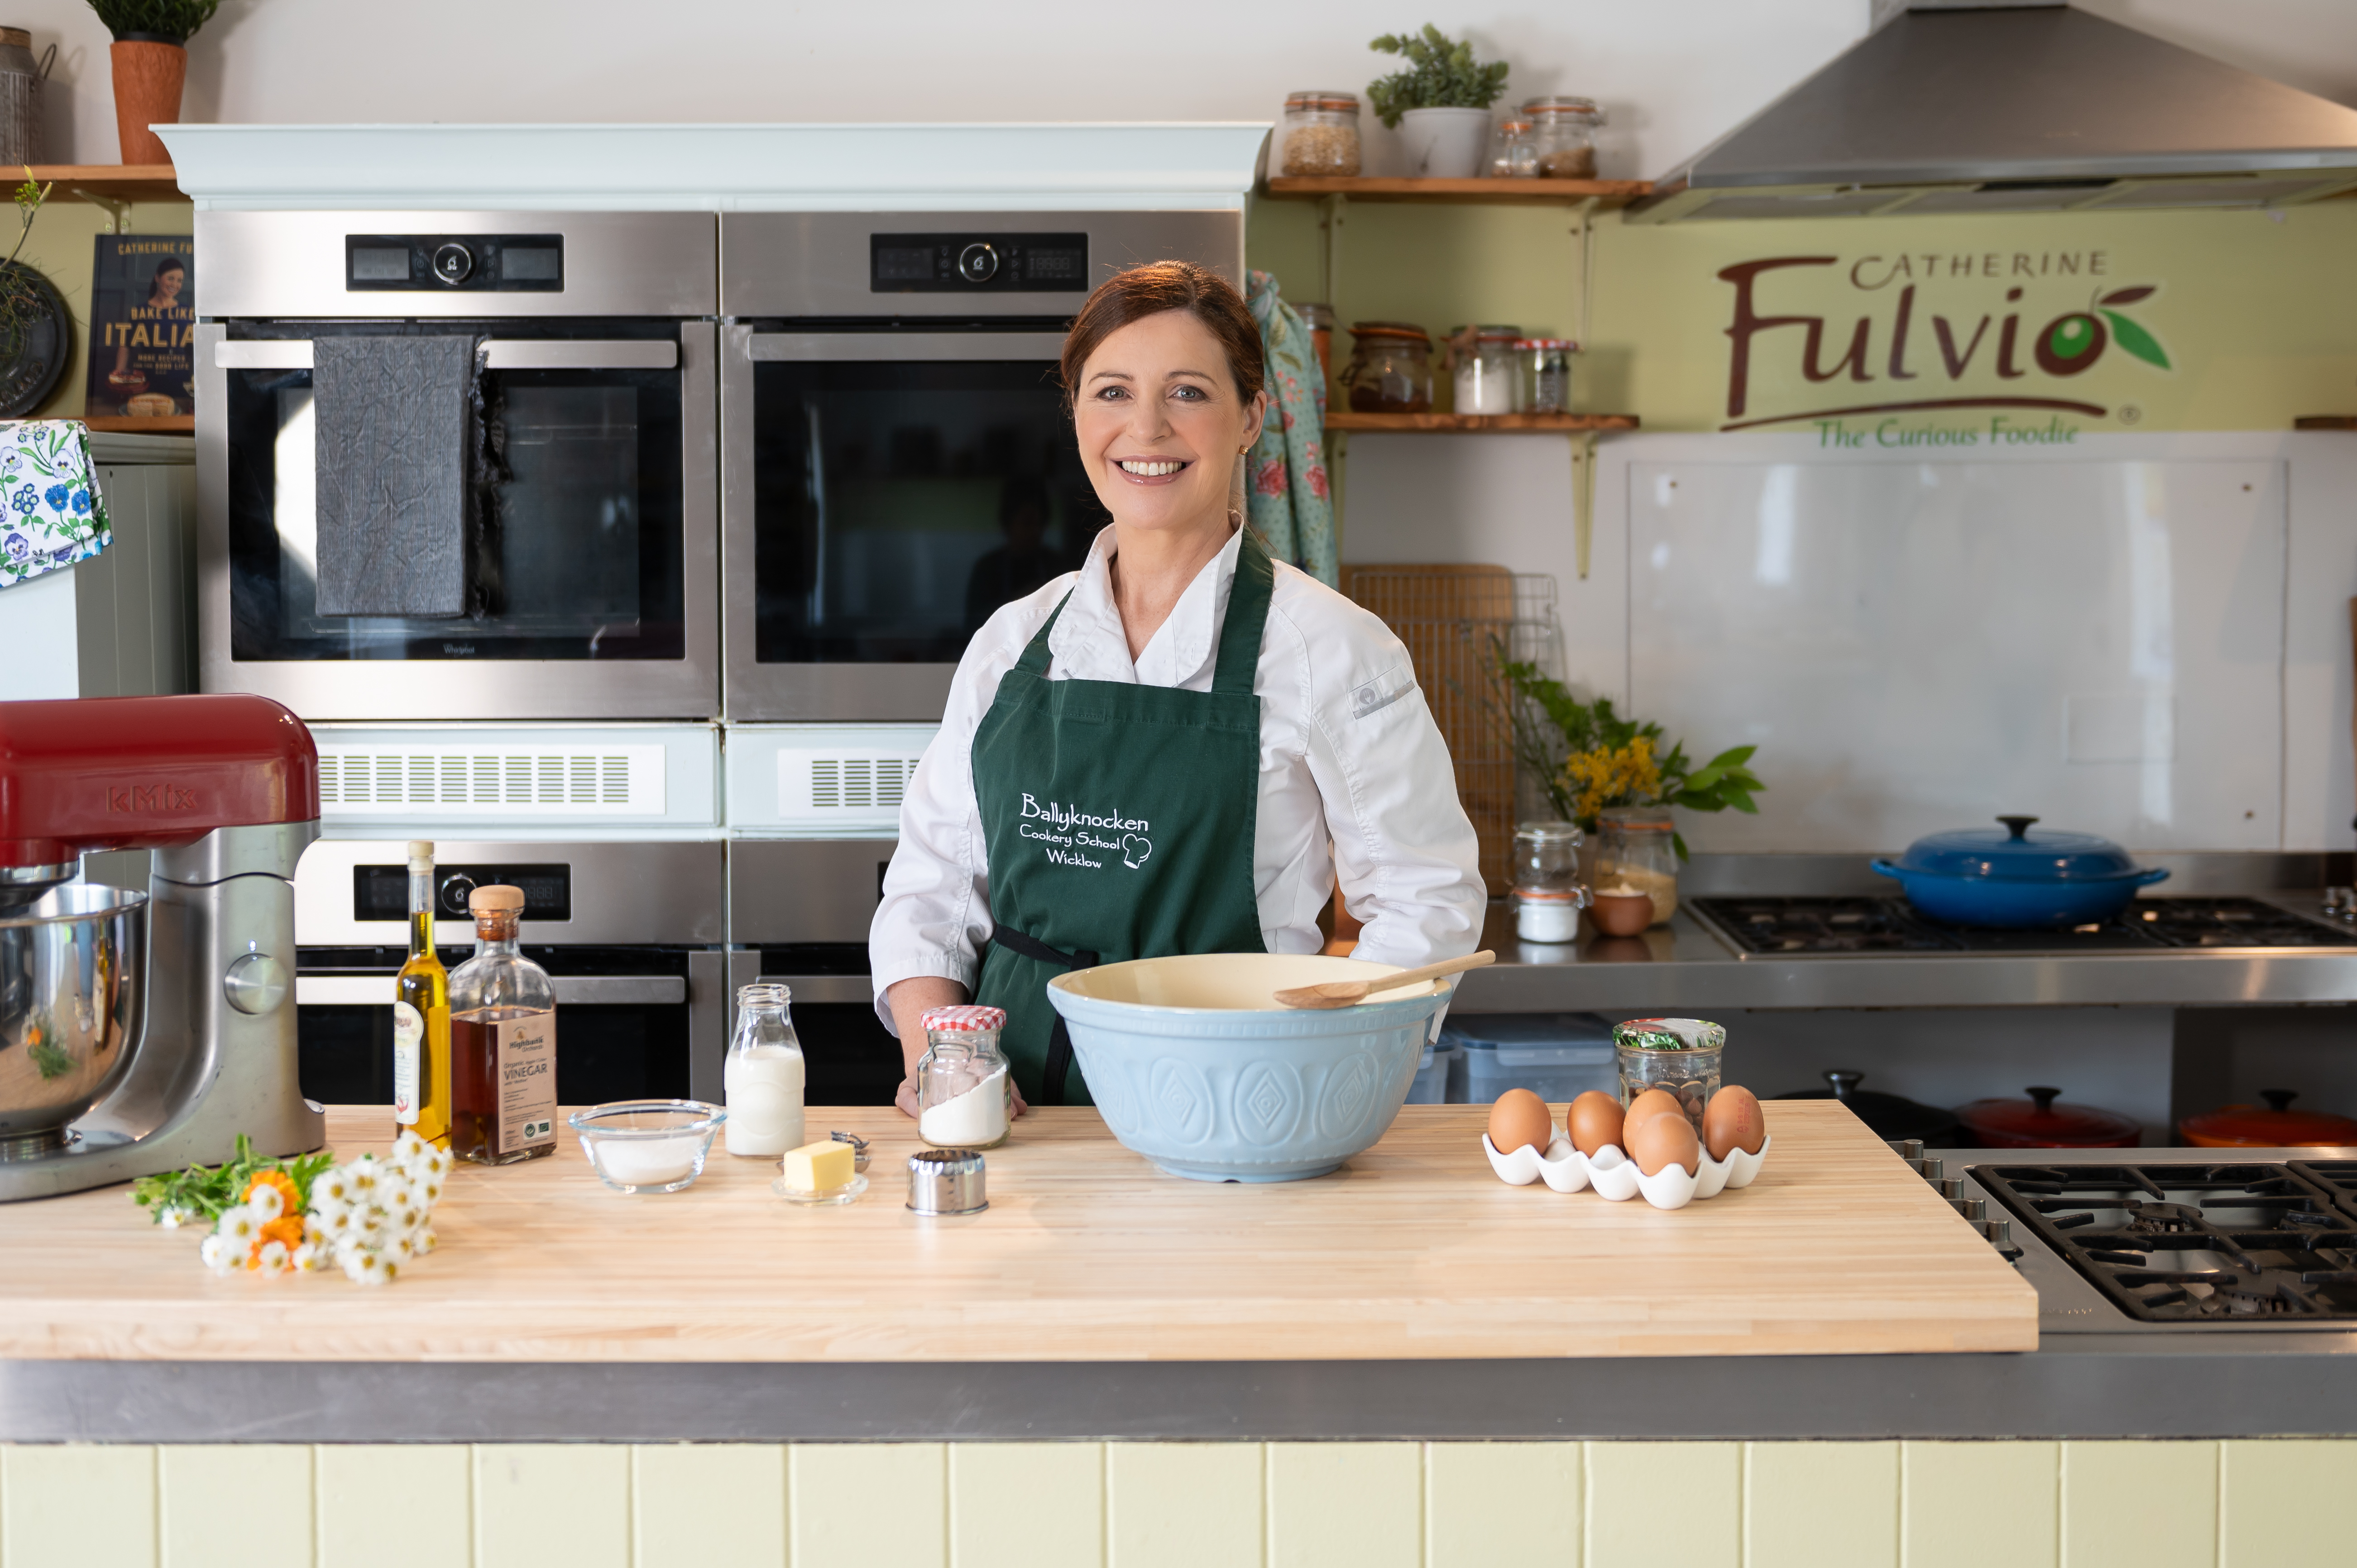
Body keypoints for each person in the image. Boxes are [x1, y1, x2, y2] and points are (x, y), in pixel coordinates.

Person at [868, 260, 1484, 1113]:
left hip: (1239, 1103)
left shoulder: (1330, 648)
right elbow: (932, 887)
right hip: (1015, 1115)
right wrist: (943, 1060)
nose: (1145, 428)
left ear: (1251, 419)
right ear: (1077, 416)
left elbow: (1425, 896)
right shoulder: (1012, 644)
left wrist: (1321, 1075)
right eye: (1111, 392)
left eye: (1188, 392)